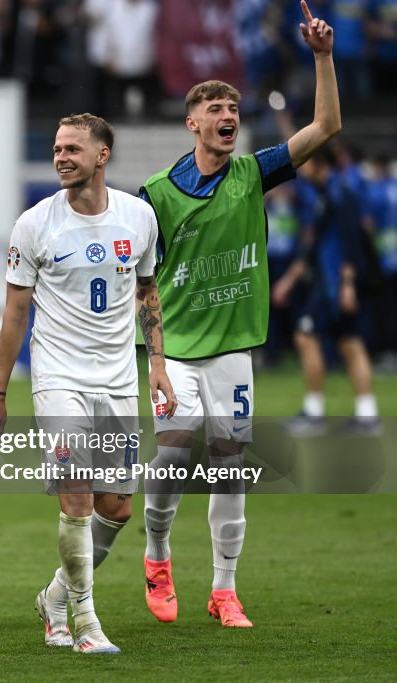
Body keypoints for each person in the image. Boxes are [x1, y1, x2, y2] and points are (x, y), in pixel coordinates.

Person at [138, 0, 340, 628]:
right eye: (215, 111)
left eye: (233, 109)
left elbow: (325, 127)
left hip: (231, 353)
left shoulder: (253, 173)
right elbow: (146, 289)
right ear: (191, 122)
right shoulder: (156, 196)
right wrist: (156, 363)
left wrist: (324, 58)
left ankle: (224, 589)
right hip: (176, 353)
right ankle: (158, 555)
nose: (228, 117)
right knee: (172, 455)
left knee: (231, 468)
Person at [0, 113, 175, 655]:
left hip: (116, 375)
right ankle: (85, 623)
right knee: (79, 495)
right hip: (58, 375)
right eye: (58, 147)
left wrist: (156, 362)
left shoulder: (138, 218)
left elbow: (147, 293)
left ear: (101, 156)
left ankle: (56, 598)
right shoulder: (34, 224)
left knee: (117, 508)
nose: (61, 156)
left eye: (72, 149)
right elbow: (15, 316)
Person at [271, 148, 380, 434]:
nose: (301, 168)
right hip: (330, 284)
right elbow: (313, 245)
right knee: (350, 343)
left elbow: (351, 243)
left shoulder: (338, 194)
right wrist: (290, 281)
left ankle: (315, 412)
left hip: (334, 285)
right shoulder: (328, 193)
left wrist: (346, 285)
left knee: (306, 336)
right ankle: (367, 415)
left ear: (318, 164)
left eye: (306, 163)